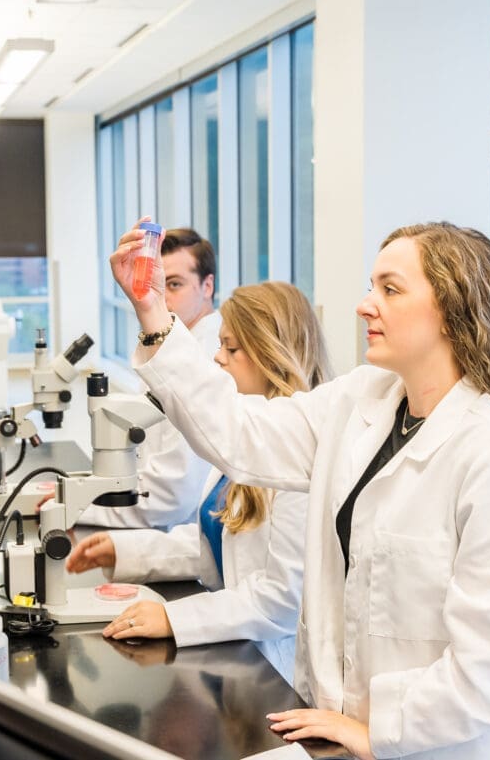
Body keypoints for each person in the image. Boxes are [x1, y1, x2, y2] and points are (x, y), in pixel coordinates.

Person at [107, 217, 490, 760]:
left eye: (390, 289)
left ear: (451, 310)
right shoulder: (361, 401)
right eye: (373, 287)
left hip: (439, 745)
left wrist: (379, 731)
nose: (365, 304)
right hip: (338, 729)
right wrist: (153, 312)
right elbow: (238, 433)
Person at [65, 282, 332, 678]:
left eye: (231, 348)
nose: (218, 359)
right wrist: (126, 551)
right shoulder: (247, 435)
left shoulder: (303, 460)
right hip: (236, 650)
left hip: (275, 669)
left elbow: (281, 599)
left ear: (271, 354)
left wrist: (176, 619)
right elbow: (219, 541)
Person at [79, 227, 221, 529]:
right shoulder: (170, 344)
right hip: (157, 520)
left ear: (207, 286)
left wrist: (77, 505)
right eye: (157, 282)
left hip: (181, 533)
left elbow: (174, 492)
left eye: (174, 284)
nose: (162, 298)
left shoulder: (209, 357)